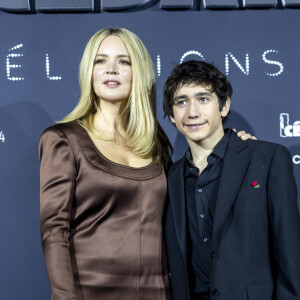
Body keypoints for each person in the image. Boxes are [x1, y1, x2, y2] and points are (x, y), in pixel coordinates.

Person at [39, 28, 253, 300]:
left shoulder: (154, 141)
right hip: (91, 291)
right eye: (100, 60)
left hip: (158, 291)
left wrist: (235, 146)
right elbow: (53, 232)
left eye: (124, 61)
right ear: (88, 71)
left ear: (137, 72)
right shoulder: (63, 140)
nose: (111, 70)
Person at [163, 60, 300, 300]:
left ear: (224, 105)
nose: (192, 112)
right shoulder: (168, 178)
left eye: (203, 99)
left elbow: (290, 257)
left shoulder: (267, 159)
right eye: (181, 102)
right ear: (172, 116)